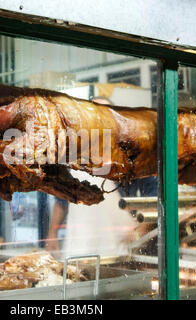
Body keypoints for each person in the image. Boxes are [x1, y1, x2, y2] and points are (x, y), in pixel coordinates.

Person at [45, 96, 138, 258]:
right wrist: (52, 233)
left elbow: (155, 200)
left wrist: (139, 233)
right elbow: (61, 202)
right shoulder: (73, 155)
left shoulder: (129, 157)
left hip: (118, 253)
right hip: (79, 251)